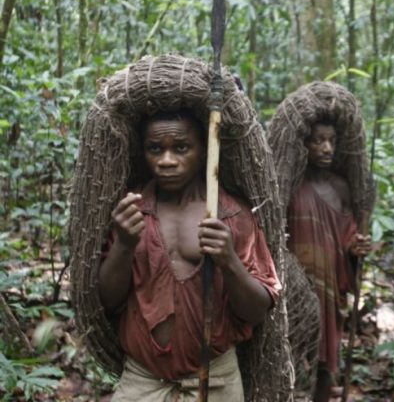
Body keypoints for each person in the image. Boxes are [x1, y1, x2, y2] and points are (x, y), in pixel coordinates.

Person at [98, 109, 280, 401]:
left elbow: (257, 312)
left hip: (215, 379)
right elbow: (106, 301)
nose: (166, 161)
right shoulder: (131, 209)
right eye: (155, 149)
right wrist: (124, 244)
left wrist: (230, 261)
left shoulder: (232, 215)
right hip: (142, 379)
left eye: (181, 148)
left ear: (205, 151)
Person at [286, 118, 372, 402]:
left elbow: (348, 235)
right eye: (318, 141)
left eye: (331, 141)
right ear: (303, 144)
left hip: (330, 288)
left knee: (327, 361)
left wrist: (355, 247)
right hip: (296, 289)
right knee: (292, 354)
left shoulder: (341, 187)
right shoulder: (291, 186)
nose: (326, 148)